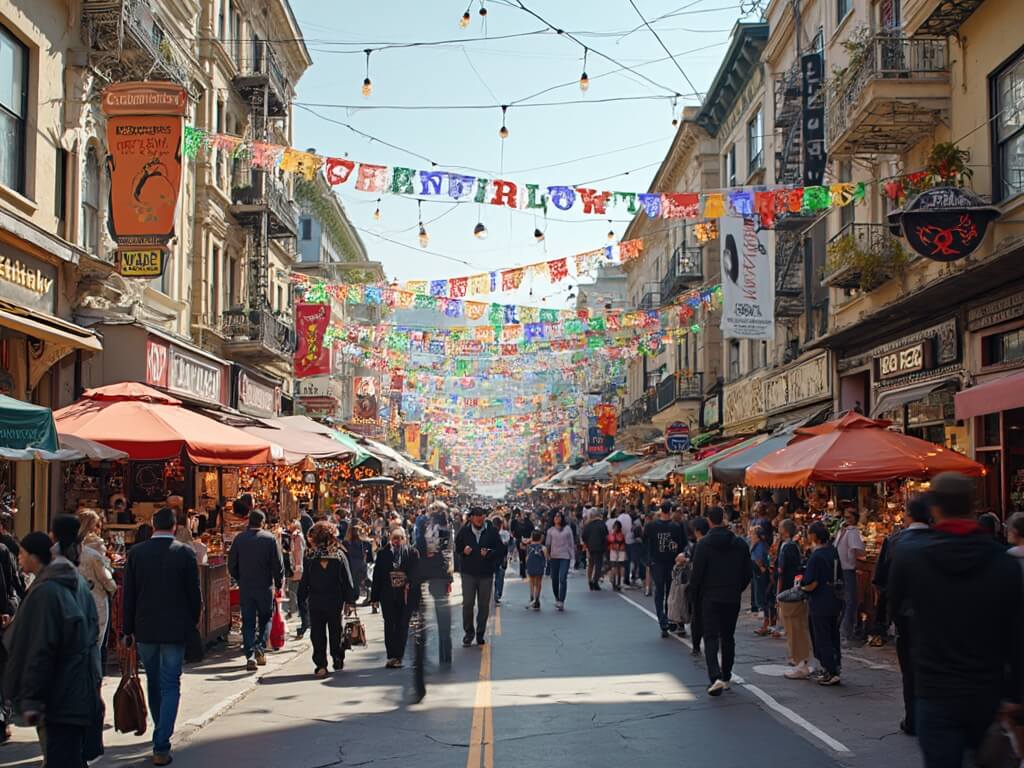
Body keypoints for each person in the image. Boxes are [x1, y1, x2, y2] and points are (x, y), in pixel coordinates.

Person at [889, 473, 1023, 767]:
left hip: (935, 688)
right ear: (973, 505)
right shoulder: (1003, 563)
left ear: (934, 507)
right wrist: (1016, 693)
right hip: (986, 688)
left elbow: (894, 610)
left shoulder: (912, 557)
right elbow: (1016, 634)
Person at [3, 529, 102, 768]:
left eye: (23, 553)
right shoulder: (65, 584)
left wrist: (32, 699)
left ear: (34, 556)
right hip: (74, 691)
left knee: (63, 757)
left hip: (62, 695)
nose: (19, 558)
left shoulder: (49, 590)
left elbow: (42, 649)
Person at [121, 507, 202, 766]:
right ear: (176, 526)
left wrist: (126, 630)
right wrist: (192, 622)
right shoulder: (185, 553)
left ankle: (160, 732)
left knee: (154, 682)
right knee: (170, 684)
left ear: (153, 526)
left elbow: (128, 595)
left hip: (145, 629)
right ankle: (161, 741)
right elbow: (194, 595)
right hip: (174, 629)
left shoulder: (137, 553)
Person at [876, 496, 932, 734]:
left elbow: (881, 580)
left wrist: (886, 617)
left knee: (909, 671)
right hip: (935, 617)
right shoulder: (941, 540)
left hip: (906, 618)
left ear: (908, 516)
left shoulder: (896, 541)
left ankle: (914, 719)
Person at [686, 505, 751, 696]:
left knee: (711, 636)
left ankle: (715, 676)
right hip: (731, 595)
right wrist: (737, 587)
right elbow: (747, 571)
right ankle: (726, 675)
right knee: (728, 636)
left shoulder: (704, 545)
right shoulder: (739, 543)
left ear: (709, 521)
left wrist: (694, 596)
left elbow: (697, 574)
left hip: (711, 596)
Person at [228, 509, 285, 671]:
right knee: (266, 617)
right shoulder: (269, 539)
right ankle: (260, 647)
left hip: (246, 586)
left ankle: (250, 654)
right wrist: (279, 583)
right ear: (263, 522)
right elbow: (277, 565)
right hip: (265, 585)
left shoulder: (240, 539)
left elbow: (231, 564)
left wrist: (239, 578)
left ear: (248, 522)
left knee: (248, 621)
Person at [298, 522, 355, 678]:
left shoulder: (310, 556)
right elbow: (347, 579)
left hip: (315, 600)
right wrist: (349, 601)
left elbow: (305, 581)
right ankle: (337, 658)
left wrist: (301, 599)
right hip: (335, 600)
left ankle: (321, 665)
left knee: (317, 634)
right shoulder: (339, 554)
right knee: (336, 630)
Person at [801, 521, 843, 686]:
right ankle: (835, 666)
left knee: (821, 637)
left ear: (814, 536)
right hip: (835, 598)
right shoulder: (833, 551)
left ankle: (830, 670)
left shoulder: (816, 556)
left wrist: (802, 588)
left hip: (820, 600)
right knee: (833, 635)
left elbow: (812, 583)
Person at [371, 527, 419, 668]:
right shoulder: (383, 554)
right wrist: (374, 597)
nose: (397, 541)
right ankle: (391, 655)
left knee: (402, 625)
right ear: (390, 539)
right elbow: (377, 576)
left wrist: (409, 582)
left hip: (405, 595)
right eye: (395, 538)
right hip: (388, 595)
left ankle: (398, 656)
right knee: (389, 624)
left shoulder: (412, 553)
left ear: (405, 539)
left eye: (400, 538)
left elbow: (417, 574)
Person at [412, 505, 453, 665]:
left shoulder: (423, 528)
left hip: (423, 573)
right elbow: (449, 553)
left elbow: (418, 546)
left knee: (420, 616)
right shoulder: (446, 531)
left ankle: (420, 654)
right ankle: (445, 655)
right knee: (443, 619)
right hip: (440, 575)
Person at [454, 507, 502, 643]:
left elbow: (500, 549)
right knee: (468, 604)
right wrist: (463, 551)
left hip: (486, 574)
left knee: (483, 605)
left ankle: (480, 633)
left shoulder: (491, 531)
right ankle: (469, 632)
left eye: (482, 515)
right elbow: (457, 548)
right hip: (468, 574)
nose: (479, 518)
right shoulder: (464, 531)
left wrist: (490, 553)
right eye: (476, 515)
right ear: (471, 518)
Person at [77, 511, 117, 665]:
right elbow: (105, 578)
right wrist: (113, 589)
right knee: (97, 642)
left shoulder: (65, 547)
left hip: (74, 598)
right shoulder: (96, 548)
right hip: (96, 597)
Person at [777, 519, 814, 680]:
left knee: (794, 628)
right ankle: (799, 659)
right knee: (795, 628)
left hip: (790, 592)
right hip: (792, 589)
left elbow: (784, 571)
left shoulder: (789, 547)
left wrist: (781, 590)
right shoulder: (790, 546)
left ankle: (800, 661)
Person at [644, 501, 686, 638]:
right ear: (671, 510)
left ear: (660, 510)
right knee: (671, 592)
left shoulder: (651, 526)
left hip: (657, 563)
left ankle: (663, 622)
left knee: (659, 593)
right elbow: (682, 545)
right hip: (672, 563)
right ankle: (670, 619)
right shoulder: (676, 527)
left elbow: (645, 542)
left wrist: (648, 560)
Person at [834, 504, 865, 643]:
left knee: (846, 601)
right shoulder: (851, 531)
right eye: (845, 517)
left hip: (841, 568)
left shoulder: (843, 530)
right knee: (851, 601)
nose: (846, 519)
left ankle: (844, 630)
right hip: (848, 568)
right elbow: (856, 549)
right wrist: (858, 559)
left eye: (848, 517)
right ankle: (847, 632)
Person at [686, 517, 709, 656]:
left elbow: (696, 569)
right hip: (712, 586)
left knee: (698, 617)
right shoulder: (708, 543)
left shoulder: (700, 545)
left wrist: (692, 588)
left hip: (700, 586)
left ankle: (696, 645)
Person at [544, 510, 575, 611]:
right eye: (555, 516)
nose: (557, 518)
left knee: (562, 578)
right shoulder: (550, 531)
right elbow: (548, 545)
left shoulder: (567, 529)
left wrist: (572, 558)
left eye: (559, 516)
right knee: (555, 579)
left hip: (565, 557)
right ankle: (557, 598)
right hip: (554, 557)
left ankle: (561, 600)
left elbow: (571, 544)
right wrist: (547, 556)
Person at [286, 519, 308, 639]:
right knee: (297, 594)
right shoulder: (295, 537)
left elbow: (299, 553)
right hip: (296, 569)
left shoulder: (297, 537)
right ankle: (304, 621)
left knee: (298, 595)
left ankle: (304, 622)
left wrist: (297, 569)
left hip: (297, 571)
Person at [345, 522, 373, 607]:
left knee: (353, 582)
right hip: (362, 564)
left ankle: (353, 598)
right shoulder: (365, 542)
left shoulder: (346, 543)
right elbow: (369, 557)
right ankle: (369, 596)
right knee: (366, 581)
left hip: (351, 564)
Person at [750, 526, 771, 637]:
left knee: (763, 597)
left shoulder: (760, 546)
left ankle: (767, 624)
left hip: (760, 573)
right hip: (758, 573)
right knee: (762, 597)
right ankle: (766, 623)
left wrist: (761, 568)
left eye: (753, 534)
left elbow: (759, 560)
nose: (751, 536)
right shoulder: (760, 545)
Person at [582, 509, 608, 591]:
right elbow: (605, 535)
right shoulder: (602, 524)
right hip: (599, 547)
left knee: (591, 563)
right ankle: (595, 581)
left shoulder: (588, 525)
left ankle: (589, 580)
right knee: (598, 565)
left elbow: (584, 535)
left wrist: (587, 543)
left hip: (590, 547)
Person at [524, 530, 546, 610]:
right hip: (539, 566)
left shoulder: (528, 547)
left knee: (532, 582)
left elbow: (526, 557)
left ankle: (532, 597)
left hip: (531, 566)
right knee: (539, 583)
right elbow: (546, 557)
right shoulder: (543, 548)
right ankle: (537, 600)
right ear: (540, 538)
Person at [492, 517, 511, 605]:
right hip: (495, 559)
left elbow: (506, 545)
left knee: (499, 577)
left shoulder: (505, 533)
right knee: (498, 577)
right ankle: (496, 594)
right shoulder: (490, 534)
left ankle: (497, 594)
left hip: (500, 559)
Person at [606, 520, 627, 591]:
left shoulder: (611, 535)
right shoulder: (622, 535)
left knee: (614, 567)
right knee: (620, 567)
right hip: (621, 551)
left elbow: (609, 540)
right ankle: (620, 582)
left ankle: (614, 582)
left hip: (614, 551)